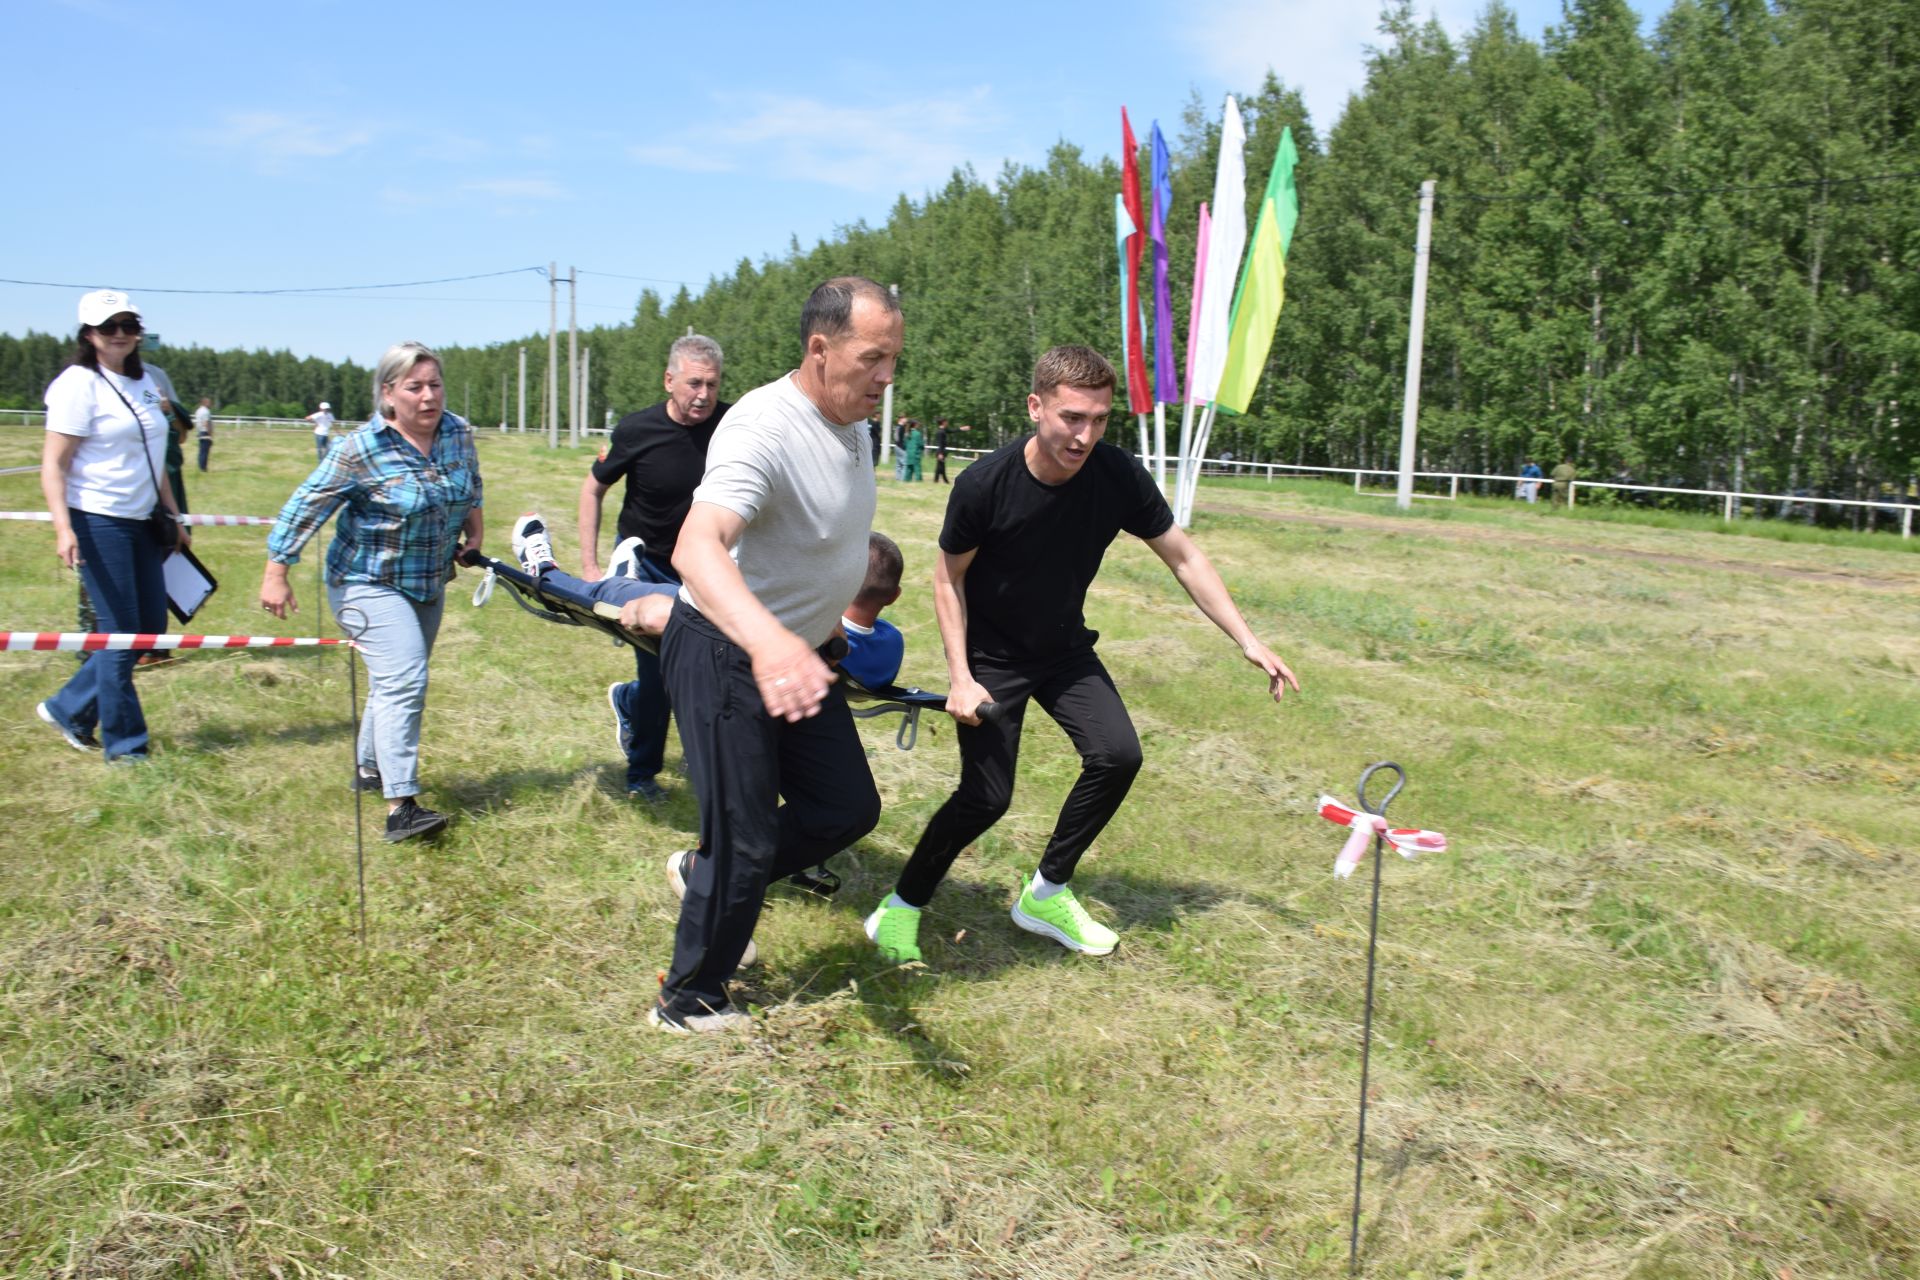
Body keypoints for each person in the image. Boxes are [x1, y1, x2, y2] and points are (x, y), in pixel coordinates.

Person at [863, 345, 1300, 965]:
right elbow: (947, 581)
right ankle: (900, 908)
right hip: (993, 656)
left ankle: (1045, 892)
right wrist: (961, 677)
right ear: (1036, 406)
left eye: (1099, 420)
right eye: (1072, 417)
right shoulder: (983, 485)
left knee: (1118, 755)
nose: (1085, 435)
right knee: (986, 798)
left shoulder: (1115, 475)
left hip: (1063, 646)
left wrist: (1248, 640)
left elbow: (1183, 556)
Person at [650, 276, 900, 1033]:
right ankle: (689, 999)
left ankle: (703, 874)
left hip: (799, 653)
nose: (887, 378)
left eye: (896, 359)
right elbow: (696, 548)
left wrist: (818, 629)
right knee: (747, 835)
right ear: (820, 350)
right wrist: (769, 644)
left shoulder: (850, 417)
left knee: (846, 808)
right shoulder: (763, 426)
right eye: (873, 358)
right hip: (727, 651)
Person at [261, 342, 482, 843]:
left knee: (393, 682)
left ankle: (367, 768)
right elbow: (305, 505)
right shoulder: (362, 448)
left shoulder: (458, 432)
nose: (429, 397)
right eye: (415, 387)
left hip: (426, 581)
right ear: (388, 394)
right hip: (364, 581)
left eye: (435, 385)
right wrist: (277, 569)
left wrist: (474, 532)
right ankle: (400, 806)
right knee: (405, 678)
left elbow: (472, 486)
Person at [35, 290, 191, 763]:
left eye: (129, 325)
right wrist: (64, 529)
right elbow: (53, 465)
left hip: (144, 521)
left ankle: (70, 708)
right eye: (109, 327)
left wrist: (173, 516)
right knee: (120, 634)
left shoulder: (145, 383)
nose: (121, 334)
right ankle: (127, 749)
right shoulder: (77, 385)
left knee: (146, 628)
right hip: (98, 520)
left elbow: (155, 459)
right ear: (88, 335)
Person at [578, 335, 730, 803]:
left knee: (715, 665)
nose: (703, 394)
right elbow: (592, 489)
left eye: (711, 383)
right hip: (644, 563)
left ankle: (631, 703)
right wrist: (589, 565)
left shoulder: (732, 425)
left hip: (702, 565)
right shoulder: (636, 430)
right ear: (669, 381)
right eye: (693, 383)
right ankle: (641, 775)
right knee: (663, 669)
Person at [194, 397, 213, 472]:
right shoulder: (206, 411)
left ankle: (200, 466)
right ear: (205, 403)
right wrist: (210, 434)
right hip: (205, 432)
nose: (210, 404)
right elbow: (206, 423)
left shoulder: (198, 410)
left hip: (200, 431)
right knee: (205, 451)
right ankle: (203, 468)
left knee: (201, 450)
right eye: (209, 402)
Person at [932, 416, 951, 485]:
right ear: (943, 422)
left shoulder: (943, 430)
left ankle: (936, 480)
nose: (947, 423)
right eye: (946, 421)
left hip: (941, 451)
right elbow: (939, 443)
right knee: (941, 467)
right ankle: (945, 481)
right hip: (940, 452)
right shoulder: (940, 432)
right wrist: (940, 453)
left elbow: (951, 431)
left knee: (939, 467)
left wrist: (961, 429)